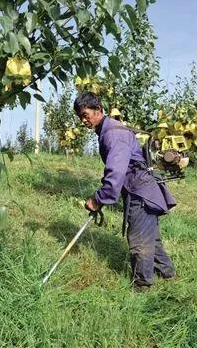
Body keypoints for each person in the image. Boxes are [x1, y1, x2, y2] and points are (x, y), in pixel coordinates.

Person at [74, 91, 176, 292]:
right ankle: (168, 275)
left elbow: (116, 173)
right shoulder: (109, 130)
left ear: (99, 110)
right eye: (80, 117)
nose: (83, 120)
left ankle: (142, 287)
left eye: (85, 114)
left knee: (139, 241)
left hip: (140, 193)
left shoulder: (113, 133)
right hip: (141, 190)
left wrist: (98, 199)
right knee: (150, 238)